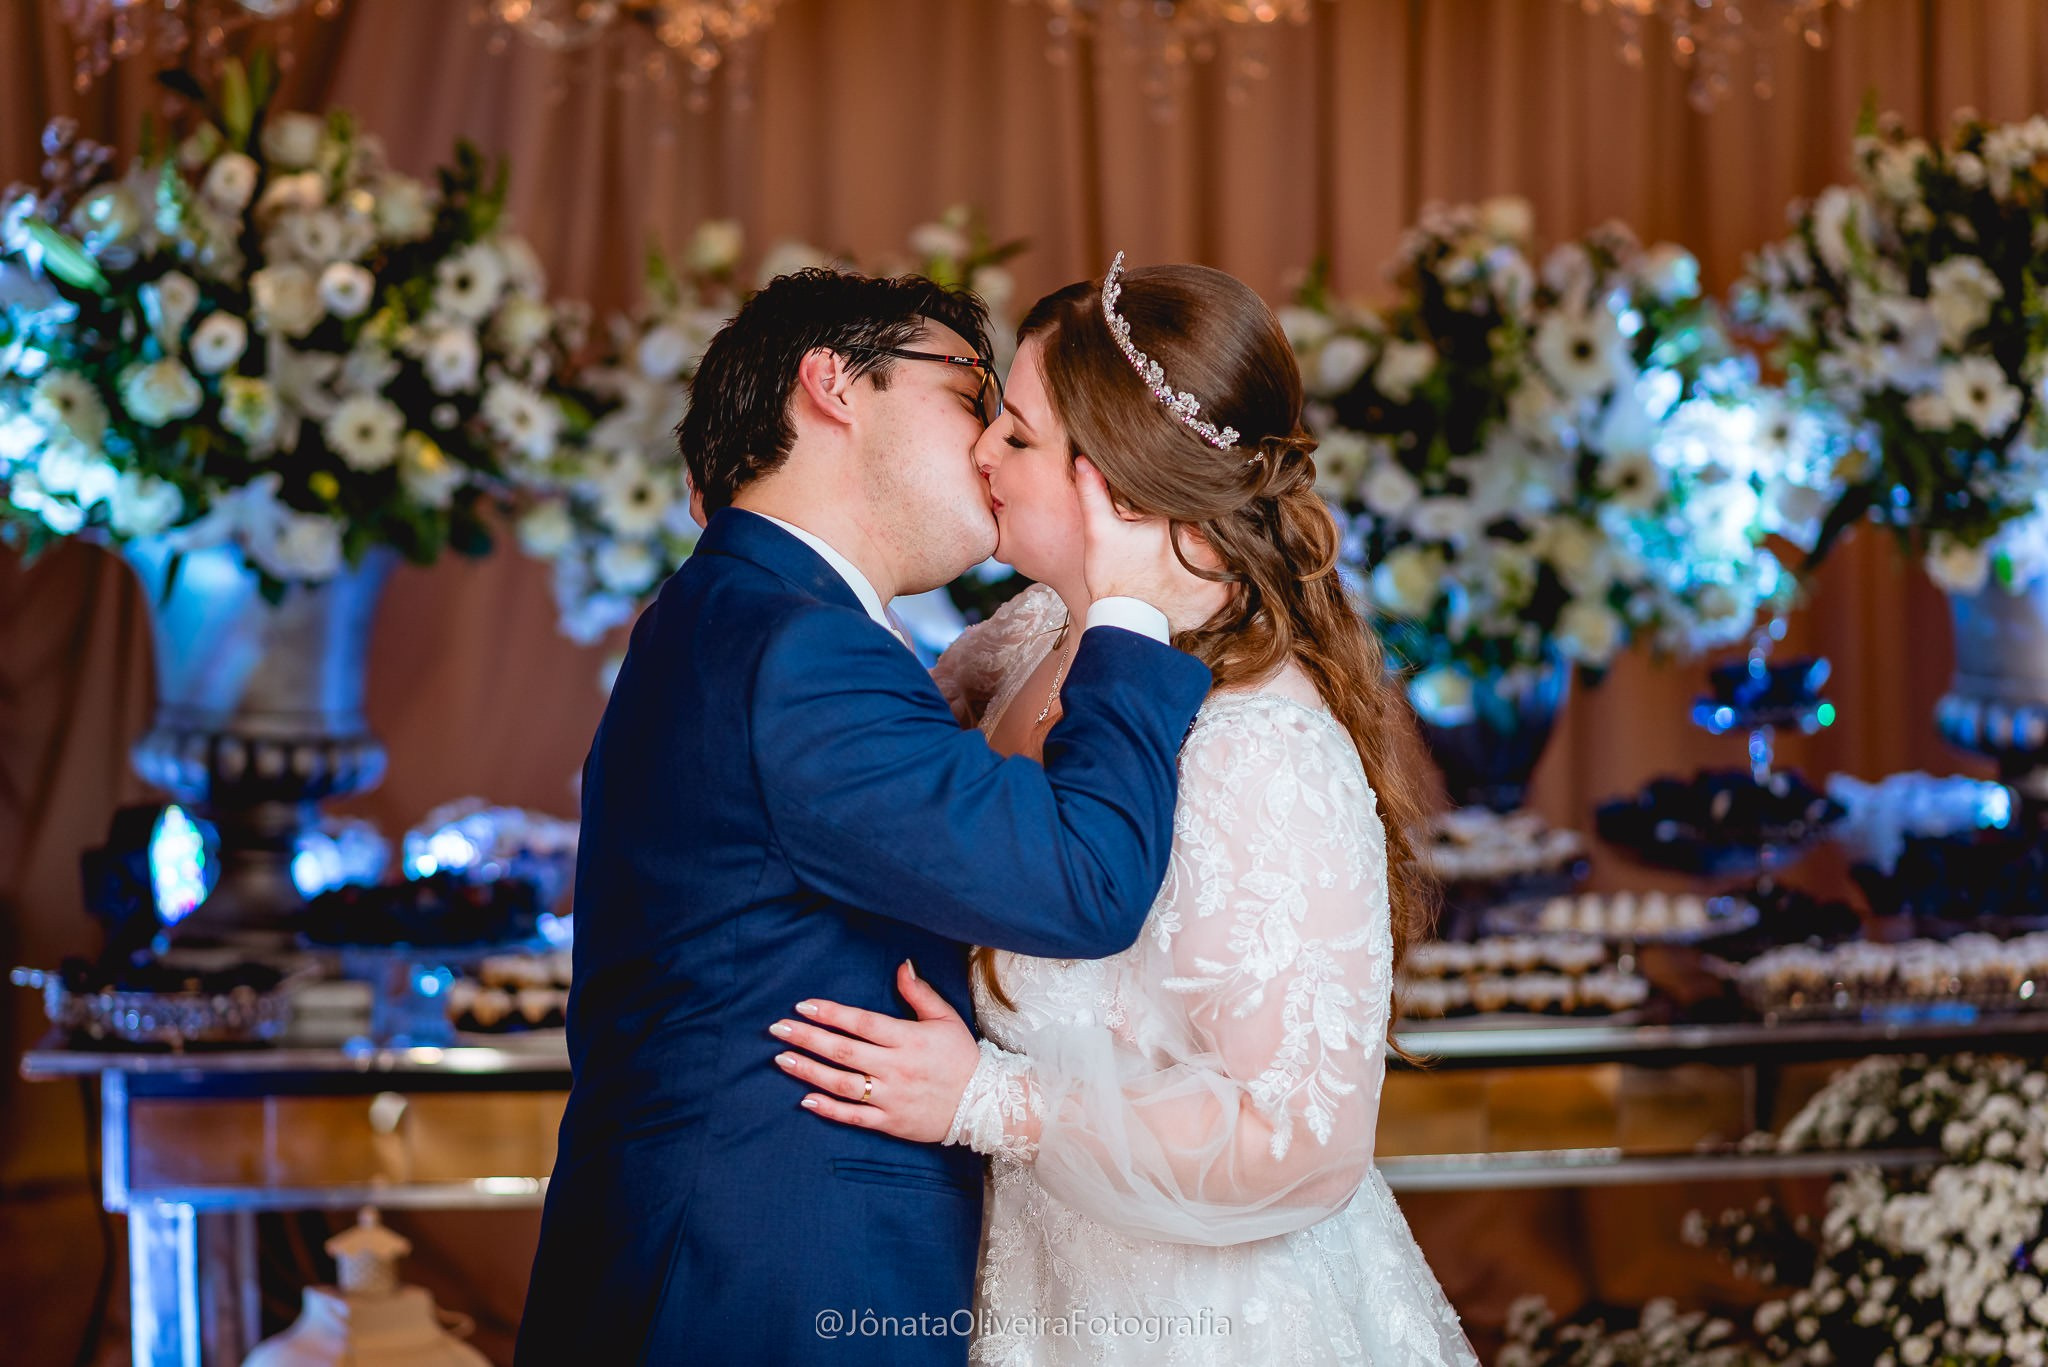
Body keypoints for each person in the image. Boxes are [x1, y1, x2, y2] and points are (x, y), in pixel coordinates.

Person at [768, 255, 1480, 1364]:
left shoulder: (1258, 747)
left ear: (1122, 483)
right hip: (1031, 1283)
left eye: (1015, 430)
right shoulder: (1024, 638)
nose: (981, 451)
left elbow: (1298, 1138)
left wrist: (985, 1100)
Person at [514, 268, 1219, 1366]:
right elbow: (1084, 881)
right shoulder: (794, 646)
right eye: (968, 388)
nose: (992, 443)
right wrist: (1131, 604)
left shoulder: (749, 618)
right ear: (833, 385)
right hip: (758, 1286)